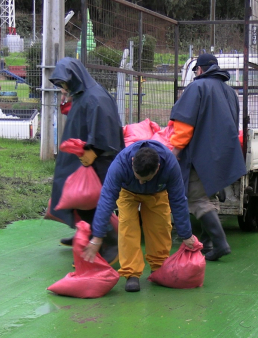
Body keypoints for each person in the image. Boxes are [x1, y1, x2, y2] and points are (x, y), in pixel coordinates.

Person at [82, 140, 196, 292]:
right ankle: (131, 274)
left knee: (159, 228)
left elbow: (178, 200)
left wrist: (186, 234)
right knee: (128, 227)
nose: (141, 182)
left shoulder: (170, 166)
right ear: (133, 161)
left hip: (157, 193)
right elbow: (107, 199)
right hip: (128, 192)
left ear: (158, 169)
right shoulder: (120, 165)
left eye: (146, 179)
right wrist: (97, 236)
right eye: (138, 177)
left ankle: (158, 268)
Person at [48, 57, 125, 265]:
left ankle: (110, 242)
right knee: (77, 198)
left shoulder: (94, 97)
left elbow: (104, 129)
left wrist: (93, 151)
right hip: (82, 159)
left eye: (64, 82)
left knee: (89, 202)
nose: (63, 87)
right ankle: (86, 234)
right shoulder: (84, 95)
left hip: (97, 160)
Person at [169, 53, 246, 261]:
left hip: (201, 156)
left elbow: (185, 125)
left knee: (196, 199)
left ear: (200, 70)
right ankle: (209, 242)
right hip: (223, 155)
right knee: (209, 197)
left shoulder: (196, 88)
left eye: (195, 70)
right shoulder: (229, 91)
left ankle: (221, 244)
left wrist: (174, 152)